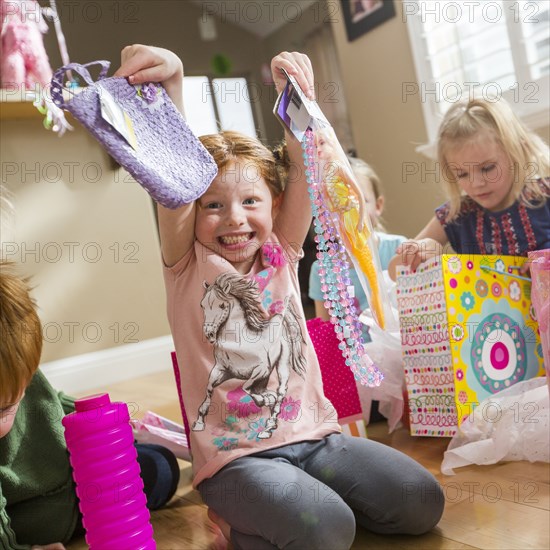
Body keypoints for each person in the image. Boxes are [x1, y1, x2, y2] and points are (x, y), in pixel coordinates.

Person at [114, 44, 444, 549]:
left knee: (421, 501)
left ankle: (300, 505)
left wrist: (298, 95)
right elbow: (176, 173)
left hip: (317, 440)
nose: (235, 218)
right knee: (328, 529)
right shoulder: (185, 262)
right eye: (213, 205)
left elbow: (301, 156)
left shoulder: (282, 251)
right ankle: (232, 519)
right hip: (236, 461)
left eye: (251, 201)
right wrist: (175, 83)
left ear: (274, 204)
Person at [0, 261, 180, 549]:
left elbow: (52, 401)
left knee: (160, 467)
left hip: (77, 481)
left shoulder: (17, 374)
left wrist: (100, 424)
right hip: (34, 518)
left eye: (2, 409)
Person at [389, 97, 550, 278]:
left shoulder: (544, 194)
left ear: (517, 151)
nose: (476, 184)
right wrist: (423, 252)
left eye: (487, 168)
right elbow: (394, 272)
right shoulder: (457, 214)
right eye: (462, 174)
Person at [308, 155, 406, 329]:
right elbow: (326, 330)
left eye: (357, 200)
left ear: (378, 205)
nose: (348, 212)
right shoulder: (322, 270)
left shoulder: (399, 249)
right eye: (336, 202)